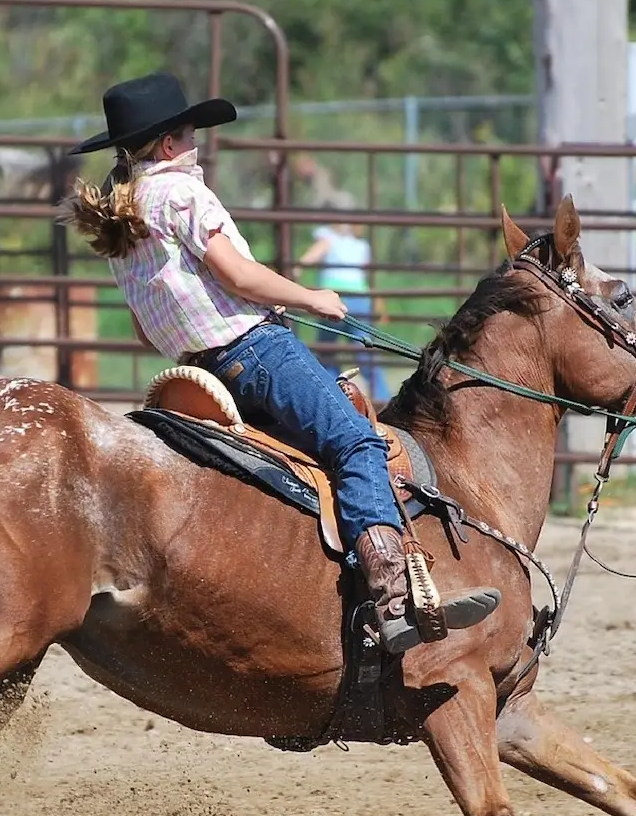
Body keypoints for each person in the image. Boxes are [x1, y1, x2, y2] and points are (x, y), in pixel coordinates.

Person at [61, 71, 499, 653]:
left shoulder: (124, 219)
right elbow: (239, 275)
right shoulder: (182, 194)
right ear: (167, 144)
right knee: (357, 443)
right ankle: (392, 597)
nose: (197, 145)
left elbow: (146, 329)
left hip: (201, 369)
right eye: (191, 134)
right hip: (256, 350)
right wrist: (311, 298)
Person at [294, 217, 390, 403]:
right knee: (364, 349)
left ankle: (333, 391)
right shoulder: (361, 246)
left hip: (336, 298)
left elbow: (312, 255)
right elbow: (365, 276)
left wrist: (296, 269)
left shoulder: (328, 237)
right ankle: (381, 395)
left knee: (328, 348)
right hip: (360, 300)